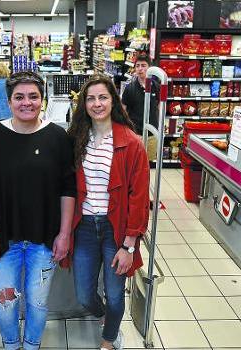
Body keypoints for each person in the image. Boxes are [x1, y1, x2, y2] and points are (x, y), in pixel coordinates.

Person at [0, 71, 76, 350]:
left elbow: (69, 189)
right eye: (19, 97)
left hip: (45, 239)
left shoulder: (57, 137)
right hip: (4, 239)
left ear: (42, 100)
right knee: (5, 302)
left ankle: (31, 346)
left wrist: (64, 234)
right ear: (8, 101)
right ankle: (10, 345)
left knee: (38, 301)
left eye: (33, 96)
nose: (26, 103)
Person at [66, 75, 150, 350]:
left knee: (115, 295)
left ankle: (109, 340)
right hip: (86, 227)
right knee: (84, 294)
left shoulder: (132, 143)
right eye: (90, 98)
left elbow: (139, 198)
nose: (97, 103)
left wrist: (129, 244)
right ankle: (105, 317)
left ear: (113, 101)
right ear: (84, 104)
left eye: (103, 97)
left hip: (117, 230)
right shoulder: (77, 139)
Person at [120, 55, 158, 160]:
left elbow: (158, 107)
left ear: (149, 68)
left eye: (143, 65)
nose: (140, 68)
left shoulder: (156, 86)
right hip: (135, 134)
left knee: (148, 164)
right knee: (133, 164)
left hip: (152, 134)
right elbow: (123, 111)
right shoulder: (129, 89)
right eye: (137, 66)